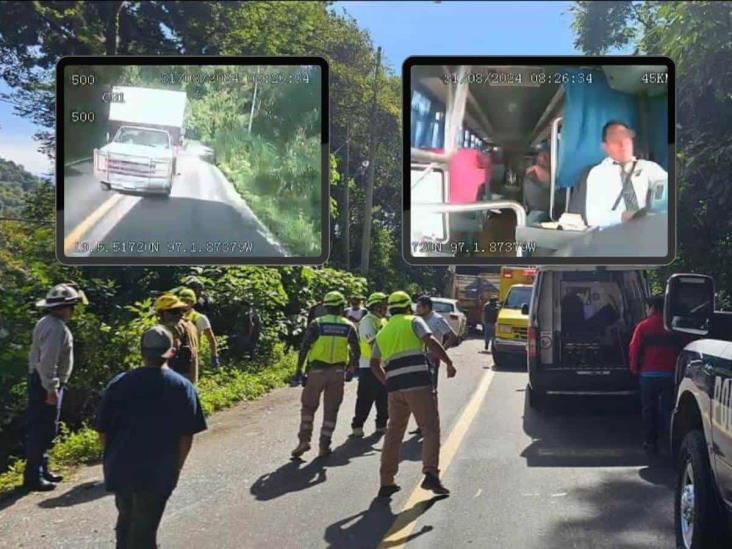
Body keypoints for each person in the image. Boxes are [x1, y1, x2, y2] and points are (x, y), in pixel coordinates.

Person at [95, 325, 207, 549]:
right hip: (157, 470)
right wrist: (177, 467)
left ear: (141, 352)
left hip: (121, 466)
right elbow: (186, 436)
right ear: (172, 352)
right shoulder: (182, 387)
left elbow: (103, 430)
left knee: (126, 520)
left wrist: (111, 460)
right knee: (144, 529)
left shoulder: (118, 383)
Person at [371, 291, 456, 498]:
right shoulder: (414, 321)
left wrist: (387, 381)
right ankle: (430, 475)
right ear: (408, 306)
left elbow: (374, 363)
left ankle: (386, 480)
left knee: (394, 432)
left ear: (391, 308)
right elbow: (431, 342)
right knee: (429, 428)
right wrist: (449, 363)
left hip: (395, 387)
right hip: (417, 383)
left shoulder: (383, 330)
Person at [23, 284, 85, 491]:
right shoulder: (56, 327)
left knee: (45, 428)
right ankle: (33, 477)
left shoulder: (46, 322)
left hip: (41, 381)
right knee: (43, 429)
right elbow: (48, 361)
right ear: (64, 307)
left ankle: (43, 468)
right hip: (45, 383)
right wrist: (51, 388)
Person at [292, 291, 360, 459]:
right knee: (331, 410)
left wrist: (299, 369)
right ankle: (324, 445)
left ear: (326, 307)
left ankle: (304, 441)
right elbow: (356, 351)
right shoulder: (348, 326)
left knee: (308, 407)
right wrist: (351, 368)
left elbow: (305, 347)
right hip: (337, 372)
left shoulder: (317, 323)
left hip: (316, 371)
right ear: (341, 306)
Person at [585, 121, 668, 229]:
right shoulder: (598, 173)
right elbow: (593, 217)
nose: (623, 144)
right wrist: (623, 216)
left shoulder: (649, 168)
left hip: (646, 232)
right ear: (605, 147)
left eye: (626, 138)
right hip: (611, 236)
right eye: (616, 140)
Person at [629, 294, 684, 454]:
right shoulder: (674, 326)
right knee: (668, 408)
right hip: (669, 374)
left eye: (646, 308)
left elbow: (634, 349)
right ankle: (671, 442)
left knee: (648, 409)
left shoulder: (643, 326)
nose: (646, 311)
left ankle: (650, 442)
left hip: (648, 375)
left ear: (652, 308)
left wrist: (634, 369)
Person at [350, 292, 388, 438]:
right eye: (383, 305)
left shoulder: (383, 321)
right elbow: (372, 343)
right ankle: (358, 425)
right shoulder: (367, 321)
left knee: (384, 399)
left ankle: (381, 425)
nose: (386, 308)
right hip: (369, 365)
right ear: (376, 306)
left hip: (383, 364)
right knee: (365, 398)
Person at [155, 294, 199, 385]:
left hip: (175, 378)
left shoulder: (173, 327)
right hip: (190, 376)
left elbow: (173, 349)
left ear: (162, 313)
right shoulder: (189, 324)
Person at [178, 288, 219, 369]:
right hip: (175, 356)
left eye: (187, 301)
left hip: (191, 356)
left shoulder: (199, 318)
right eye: (182, 300)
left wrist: (214, 356)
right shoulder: (174, 317)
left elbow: (211, 338)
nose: (184, 303)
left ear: (193, 302)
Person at [524, 146, 552, 225]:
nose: (542, 159)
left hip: (545, 210)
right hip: (533, 209)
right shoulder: (533, 173)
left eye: (545, 157)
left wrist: (536, 168)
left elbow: (549, 181)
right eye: (540, 156)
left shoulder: (549, 173)